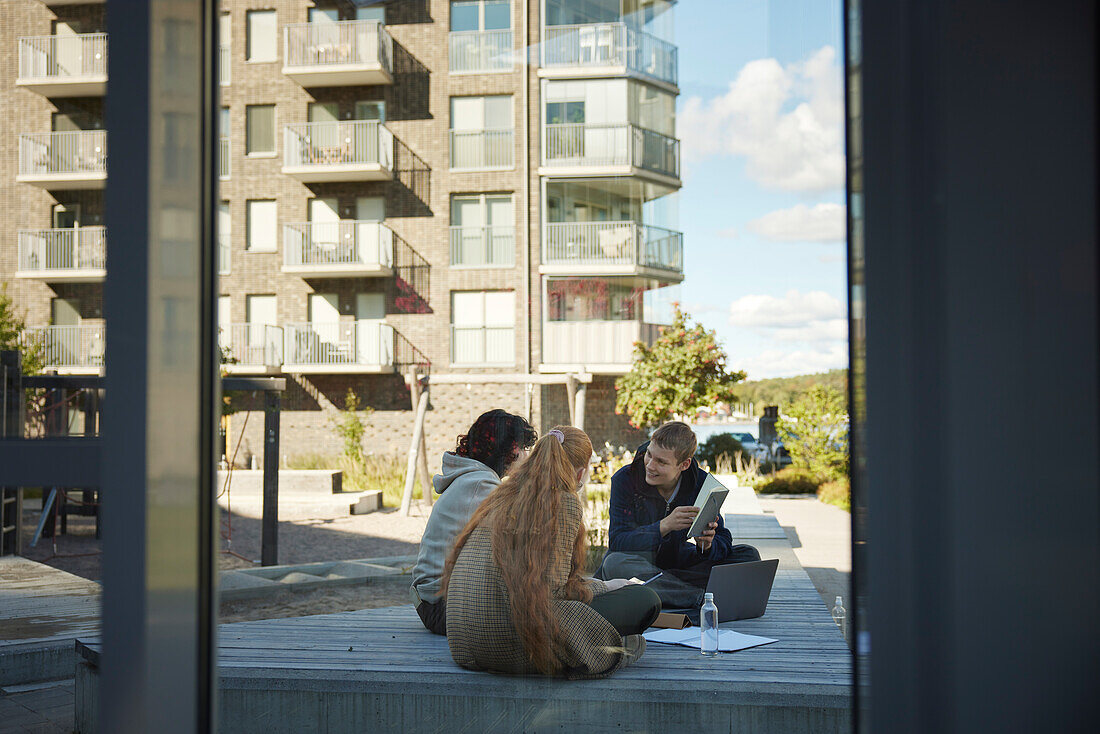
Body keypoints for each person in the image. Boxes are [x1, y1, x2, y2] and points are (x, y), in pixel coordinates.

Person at [442, 426, 661, 679]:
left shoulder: (500, 496)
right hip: (513, 641)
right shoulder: (563, 502)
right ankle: (618, 646)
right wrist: (607, 587)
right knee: (645, 599)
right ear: (581, 472)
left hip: (464, 644)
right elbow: (554, 592)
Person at [596, 421, 761, 611]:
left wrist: (707, 546)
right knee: (615, 563)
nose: (650, 465)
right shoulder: (625, 480)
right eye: (649, 455)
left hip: (677, 567)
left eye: (661, 462)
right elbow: (618, 541)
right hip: (638, 565)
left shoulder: (701, 483)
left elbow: (723, 538)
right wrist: (663, 526)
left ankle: (671, 591)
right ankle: (698, 598)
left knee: (748, 554)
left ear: (684, 464)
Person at [410, 409, 537, 635]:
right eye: (524, 449)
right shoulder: (480, 485)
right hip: (442, 606)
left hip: (433, 601)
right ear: (512, 450)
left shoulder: (474, 479)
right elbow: (515, 540)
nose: (526, 457)